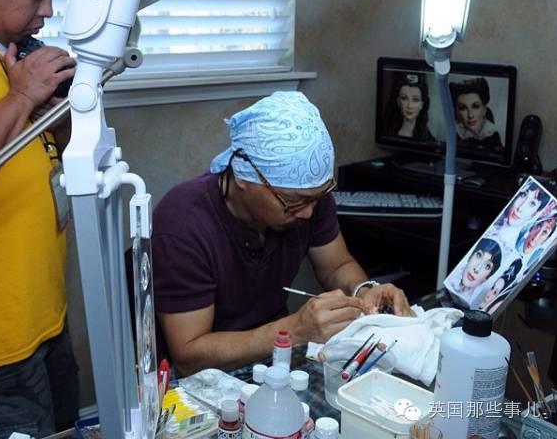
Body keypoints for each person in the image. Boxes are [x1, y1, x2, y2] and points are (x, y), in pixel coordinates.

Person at [152, 91, 413, 376]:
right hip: (204, 377)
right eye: (294, 200)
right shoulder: (182, 225)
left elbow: (337, 265)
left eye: (317, 198)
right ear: (243, 177)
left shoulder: (308, 198)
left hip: (277, 357)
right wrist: (295, 329)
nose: (308, 213)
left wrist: (364, 291)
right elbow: (189, 356)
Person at [0, 0, 78, 438]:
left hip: (45, 314)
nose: (48, 10)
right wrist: (20, 95)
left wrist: (57, 114)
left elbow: (54, 148)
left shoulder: (7, 50)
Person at [449, 77, 504, 153]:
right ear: (457, 112)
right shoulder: (456, 134)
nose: (470, 115)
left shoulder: (493, 135)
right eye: (463, 108)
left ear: (484, 109)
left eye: (475, 106)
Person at [384, 72, 435, 141]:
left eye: (415, 100)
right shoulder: (387, 135)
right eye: (404, 98)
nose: (409, 106)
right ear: (398, 101)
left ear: (422, 105)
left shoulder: (429, 140)